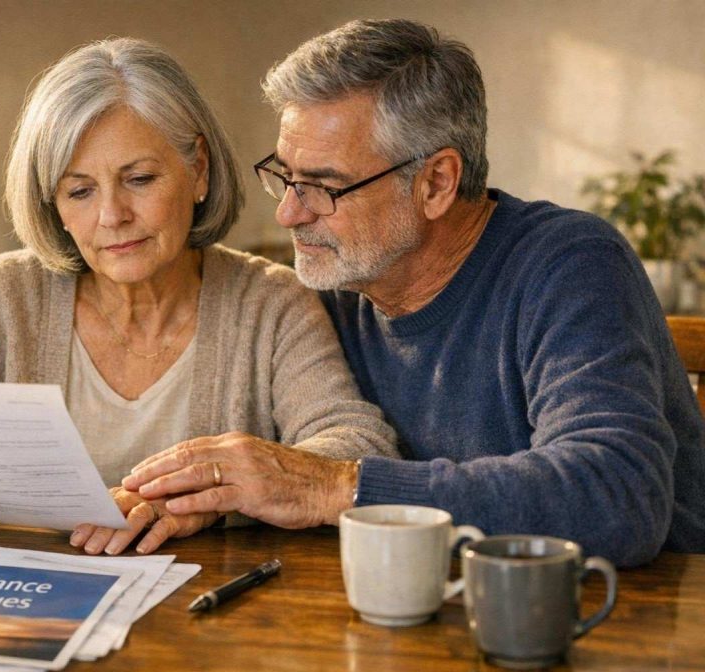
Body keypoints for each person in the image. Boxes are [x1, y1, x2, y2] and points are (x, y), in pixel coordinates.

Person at [122, 19, 705, 567]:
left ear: (436, 183)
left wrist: (332, 486)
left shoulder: (569, 264)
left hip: (632, 611)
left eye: (323, 186)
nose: (288, 213)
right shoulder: (331, 292)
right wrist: (201, 498)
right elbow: (277, 472)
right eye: (285, 176)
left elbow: (617, 494)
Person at [0, 37, 398, 555]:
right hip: (10, 609)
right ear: (53, 204)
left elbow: (358, 448)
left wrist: (212, 495)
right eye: (80, 191)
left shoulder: (270, 302)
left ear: (197, 170)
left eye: (139, 180)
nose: (112, 216)